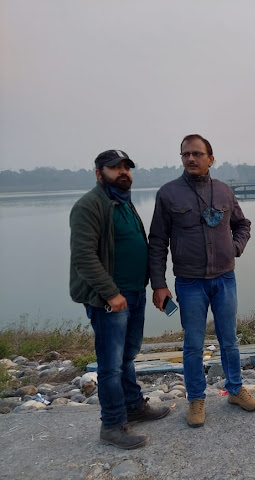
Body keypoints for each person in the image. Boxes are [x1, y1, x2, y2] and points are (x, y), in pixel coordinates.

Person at [148, 134, 255, 428]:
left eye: (197, 154)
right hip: (189, 282)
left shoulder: (223, 191)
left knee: (229, 339)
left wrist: (235, 248)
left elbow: (242, 224)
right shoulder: (168, 194)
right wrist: (158, 284)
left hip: (225, 278)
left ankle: (235, 390)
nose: (191, 159)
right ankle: (196, 399)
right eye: (186, 154)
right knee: (193, 344)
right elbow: (157, 241)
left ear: (211, 159)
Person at [69, 149, 170, 449]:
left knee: (127, 356)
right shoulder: (89, 205)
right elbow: (84, 257)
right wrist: (111, 293)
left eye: (127, 167)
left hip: (134, 293)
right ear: (99, 173)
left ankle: (133, 406)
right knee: (111, 365)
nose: (123, 172)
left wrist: (154, 284)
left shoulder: (123, 202)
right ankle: (112, 425)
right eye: (115, 168)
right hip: (109, 300)